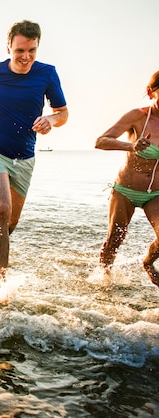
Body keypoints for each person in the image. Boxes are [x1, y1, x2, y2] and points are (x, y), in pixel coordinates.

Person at [0, 20, 69, 279]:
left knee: (11, 221)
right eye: (20, 50)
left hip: (25, 158)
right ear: (8, 48)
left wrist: (50, 121)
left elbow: (62, 113)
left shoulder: (47, 74)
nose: (26, 57)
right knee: (1, 209)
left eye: (32, 50)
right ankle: (1, 283)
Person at [95, 70, 159, 287]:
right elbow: (101, 141)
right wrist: (131, 146)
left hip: (155, 194)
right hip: (126, 190)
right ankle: (103, 283)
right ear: (152, 93)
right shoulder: (138, 116)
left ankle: (148, 263)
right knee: (114, 240)